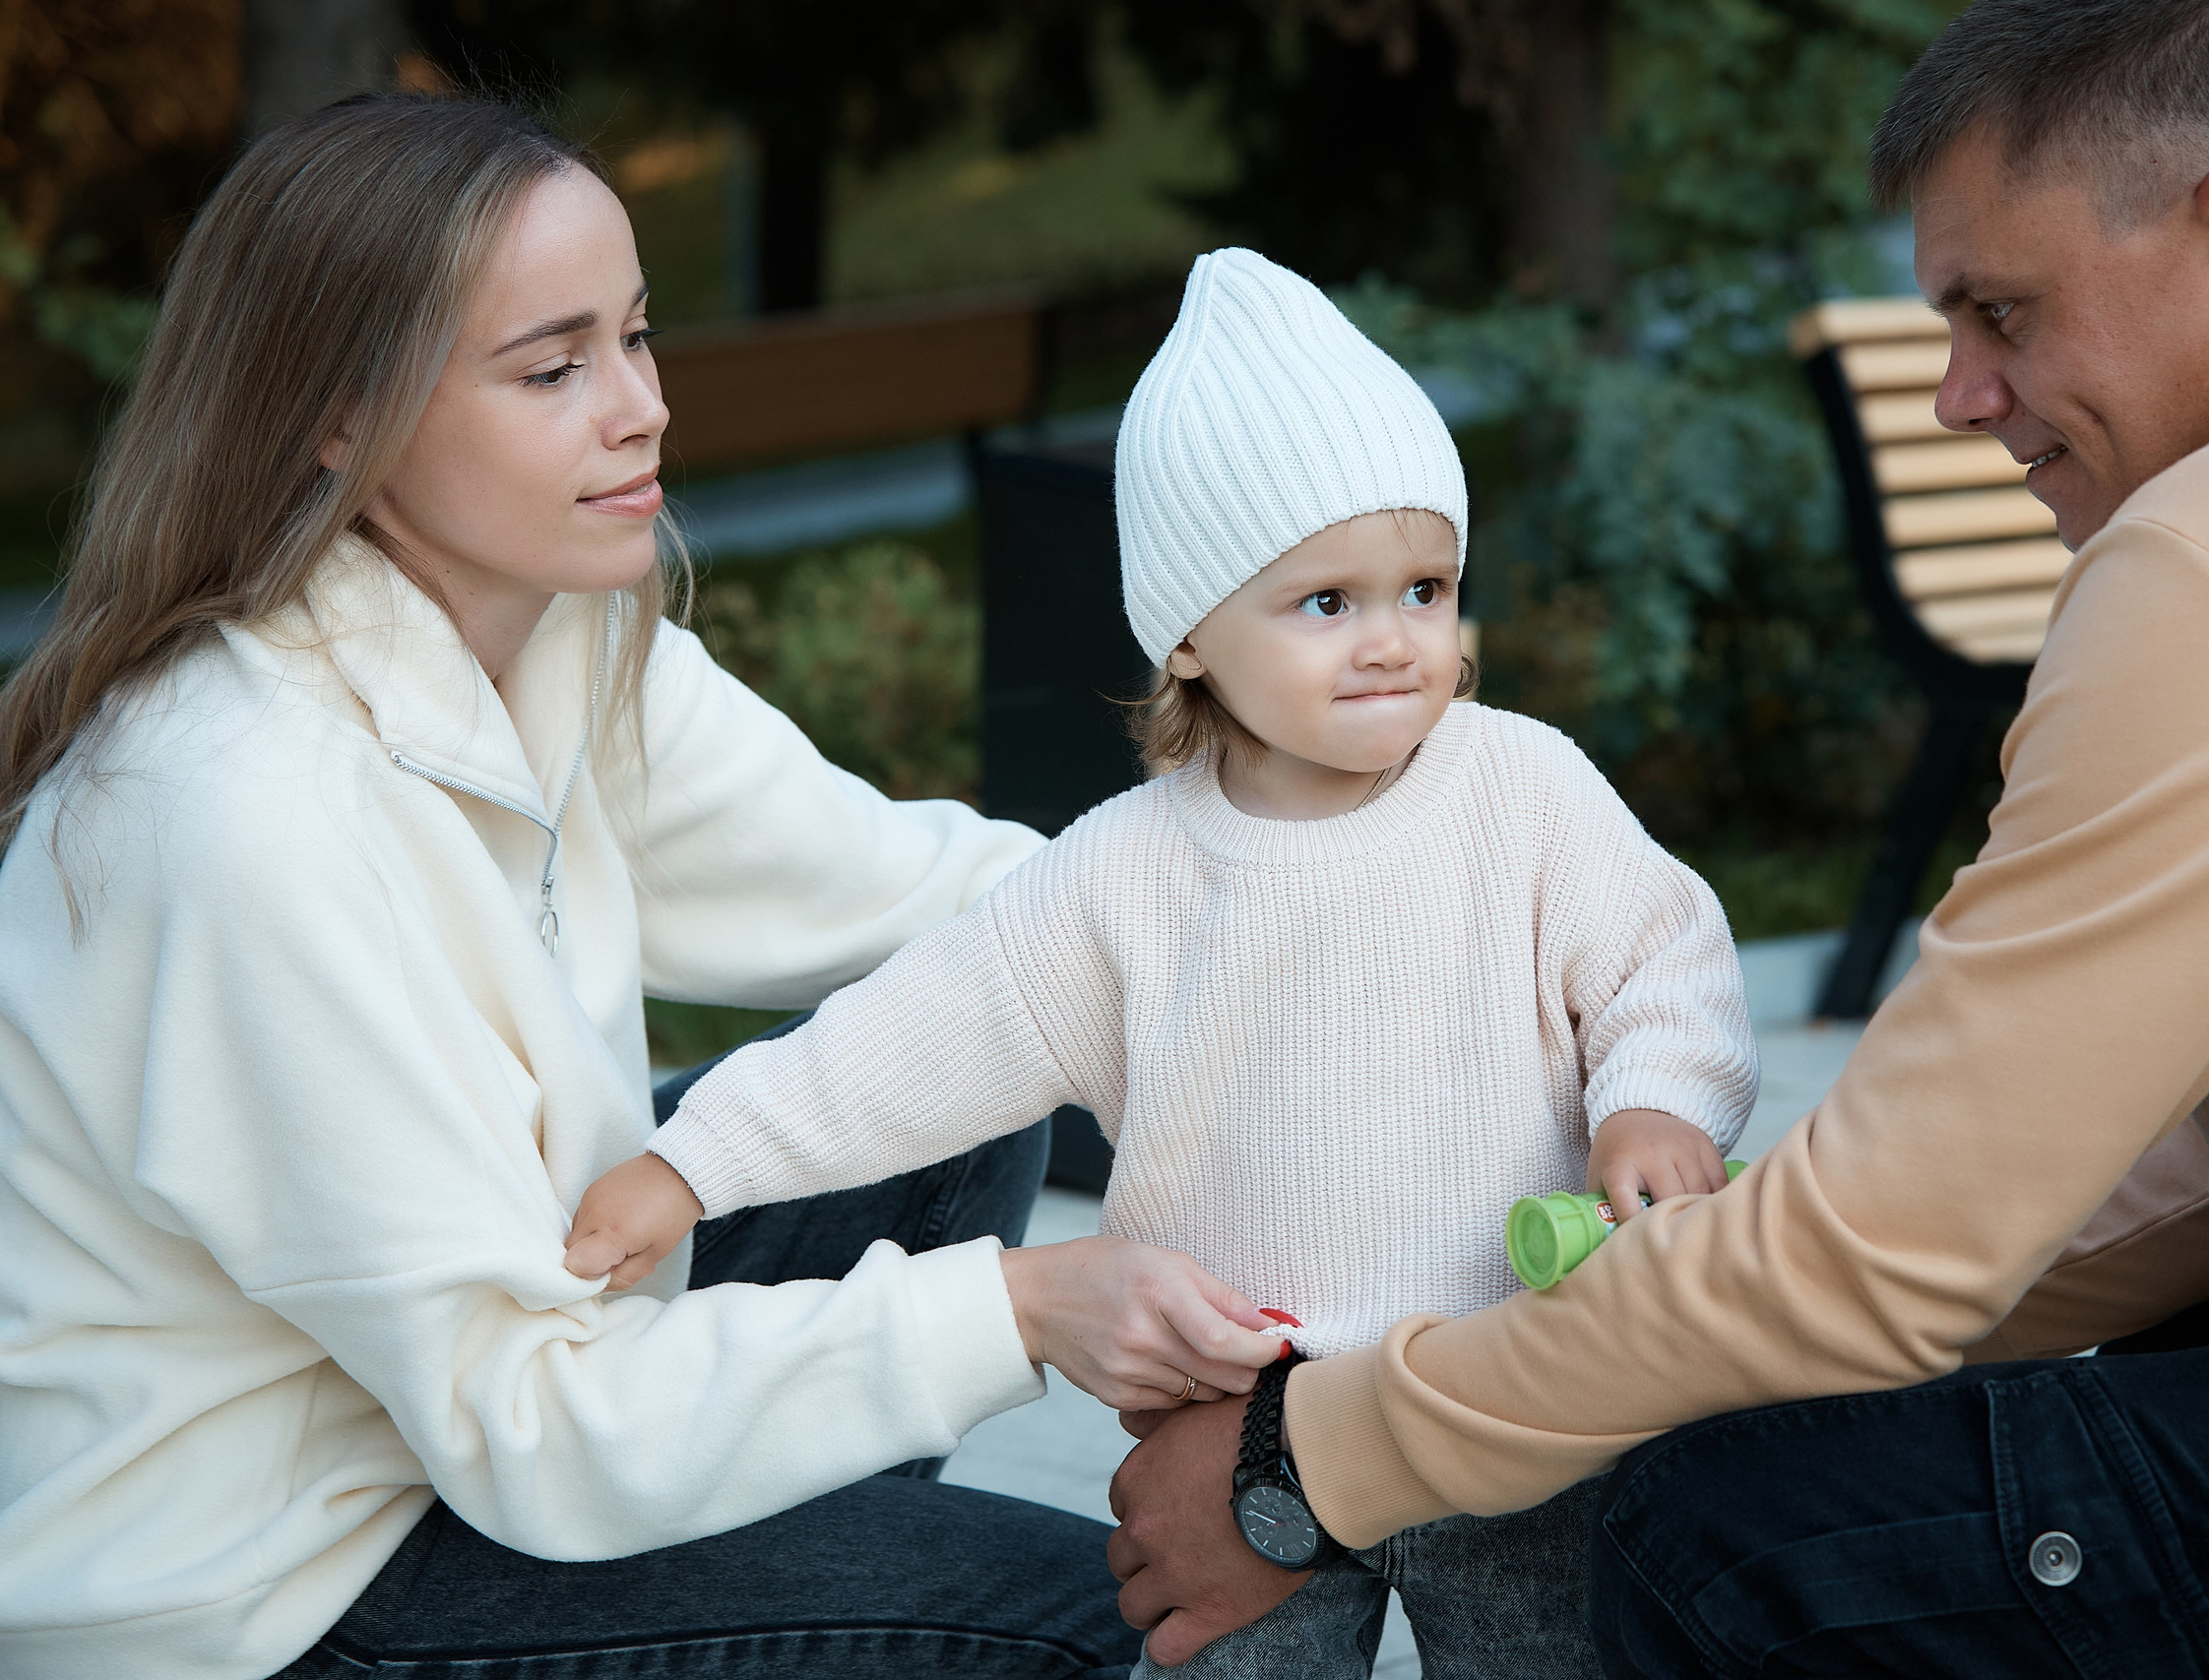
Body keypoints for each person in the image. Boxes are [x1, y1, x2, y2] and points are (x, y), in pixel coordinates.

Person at [1101, 2, 2209, 1674]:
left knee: (1743, 1535)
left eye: (2001, 312)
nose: (1957, 396)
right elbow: (2181, 1189)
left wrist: (1307, 1466)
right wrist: (1708, 1291)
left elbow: (1881, 1258)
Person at [0, 93, 1284, 1680]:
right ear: (336, 415)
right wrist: (1020, 1308)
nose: (640, 411)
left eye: (638, 337)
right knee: (1119, 1618)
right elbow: (524, 1416)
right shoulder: (240, 816)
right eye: (553, 369)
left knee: (958, 1062)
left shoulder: (555, 632)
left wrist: (1327, 929)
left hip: (456, 1418)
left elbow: (953, 912)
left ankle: (811, 1612)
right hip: (267, 1591)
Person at [566, 247, 1762, 1678]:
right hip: (1240, 1422)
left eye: (1426, 587)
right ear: (1191, 637)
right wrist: (691, 1165)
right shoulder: (1123, 875)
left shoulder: (1526, 790)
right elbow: (904, 1041)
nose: (1394, 642)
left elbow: (1663, 961)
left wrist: (1658, 1105)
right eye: (1327, 603)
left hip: (1513, 1394)